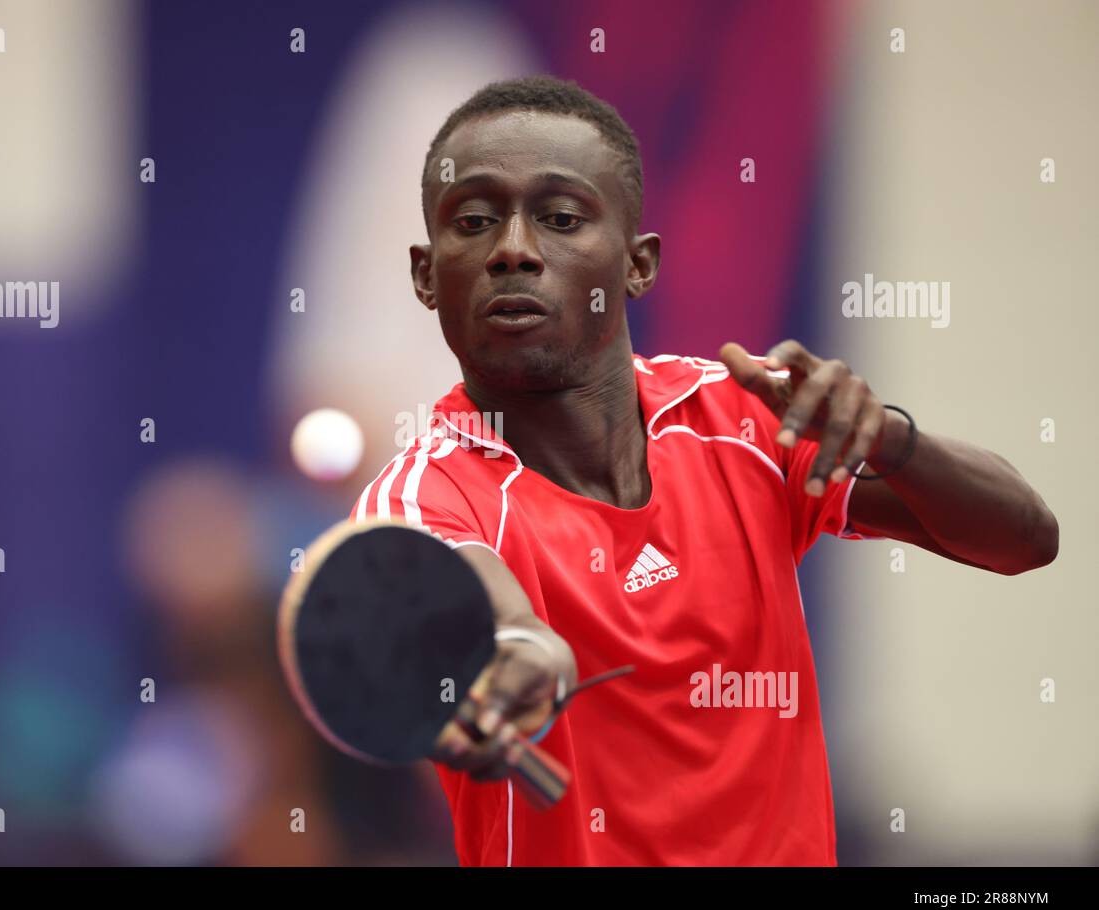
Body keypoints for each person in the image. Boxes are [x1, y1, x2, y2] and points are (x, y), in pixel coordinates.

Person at [348, 75, 1058, 866]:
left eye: (560, 218)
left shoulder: (747, 418)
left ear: (638, 264)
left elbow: (1026, 540)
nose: (513, 248)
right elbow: (495, 617)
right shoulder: (421, 499)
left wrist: (892, 439)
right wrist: (518, 657)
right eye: (474, 221)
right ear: (424, 274)